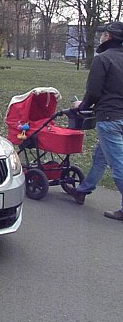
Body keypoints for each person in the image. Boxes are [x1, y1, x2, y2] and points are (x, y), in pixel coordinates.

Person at [67, 21, 123, 220]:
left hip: (110, 118)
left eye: (103, 33)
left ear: (108, 37)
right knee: (101, 156)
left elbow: (94, 92)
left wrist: (81, 107)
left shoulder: (103, 59)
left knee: (118, 165)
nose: (101, 36)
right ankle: (84, 189)